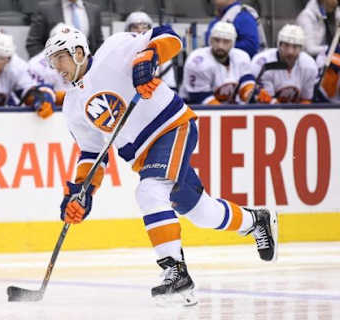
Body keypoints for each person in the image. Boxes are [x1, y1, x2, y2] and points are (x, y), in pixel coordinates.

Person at [44, 26, 278, 304]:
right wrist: (81, 194)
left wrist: (148, 58)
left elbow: (167, 35)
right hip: (144, 157)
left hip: (171, 128)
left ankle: (176, 273)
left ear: (78, 52)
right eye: (52, 60)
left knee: (149, 192)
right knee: (200, 211)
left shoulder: (114, 49)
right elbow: (92, 154)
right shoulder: (72, 106)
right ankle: (255, 221)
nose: (56, 66)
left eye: (60, 57)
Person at [182, 22, 255, 105]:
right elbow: (199, 97)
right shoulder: (197, 61)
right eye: (216, 40)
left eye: (226, 41)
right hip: (195, 109)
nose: (220, 46)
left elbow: (246, 81)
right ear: (210, 41)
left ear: (233, 43)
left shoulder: (241, 57)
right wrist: (226, 114)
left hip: (228, 108)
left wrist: (249, 92)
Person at [251, 25, 317, 104]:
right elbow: (269, 104)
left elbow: (306, 100)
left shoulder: (309, 65)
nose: (290, 52)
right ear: (279, 45)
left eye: (295, 47)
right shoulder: (264, 63)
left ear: (301, 49)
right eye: (286, 45)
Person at [26, 0, 103, 58]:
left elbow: (99, 43)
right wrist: (50, 66)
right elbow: (33, 44)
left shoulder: (94, 10)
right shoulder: (45, 9)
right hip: (54, 73)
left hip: (85, 74)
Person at [124, 11, 179, 92]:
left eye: (144, 27)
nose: (140, 31)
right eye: (135, 27)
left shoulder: (160, 53)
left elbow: (170, 88)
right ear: (128, 30)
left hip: (154, 98)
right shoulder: (122, 53)